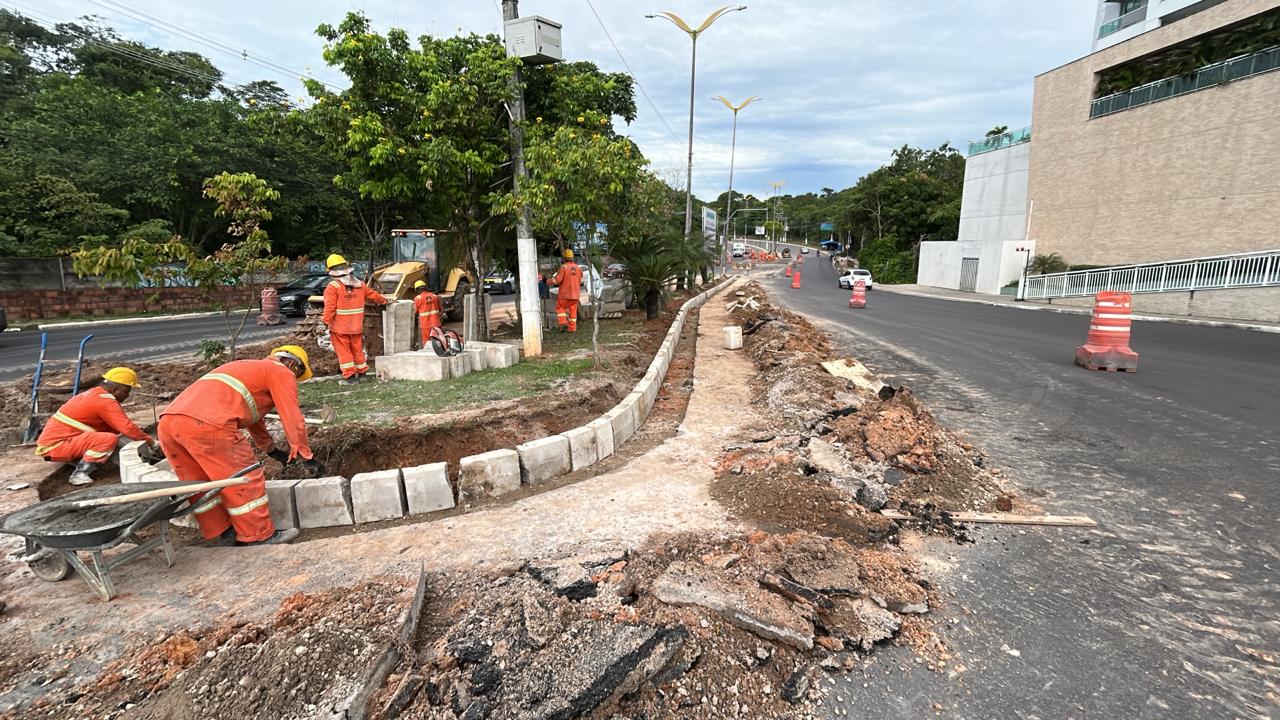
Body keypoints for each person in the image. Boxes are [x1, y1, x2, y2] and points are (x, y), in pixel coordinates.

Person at [157, 346, 319, 546]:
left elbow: (253, 418)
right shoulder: (280, 371)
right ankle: (259, 536)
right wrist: (305, 454)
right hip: (208, 425)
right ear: (293, 364)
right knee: (244, 478)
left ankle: (224, 531)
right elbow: (291, 416)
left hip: (168, 424)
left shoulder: (246, 369)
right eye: (298, 375)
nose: (294, 380)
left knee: (200, 483)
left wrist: (271, 450)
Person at [35, 366, 156, 485]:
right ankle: (79, 474)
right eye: (126, 391)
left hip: (59, 444)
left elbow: (117, 428)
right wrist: (153, 444)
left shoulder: (95, 394)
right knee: (108, 439)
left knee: (112, 435)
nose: (127, 396)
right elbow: (128, 428)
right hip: (55, 448)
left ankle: (82, 461)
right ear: (115, 390)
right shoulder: (105, 402)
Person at [321, 253, 389, 385]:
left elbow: (329, 308)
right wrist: (385, 301)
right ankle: (362, 373)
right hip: (356, 327)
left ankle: (350, 377)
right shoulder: (360, 285)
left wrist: (325, 322)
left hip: (340, 328)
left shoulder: (333, 287)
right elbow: (374, 295)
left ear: (331, 271)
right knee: (357, 350)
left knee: (344, 352)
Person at [547, 249, 583, 333]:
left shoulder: (563, 267)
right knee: (573, 311)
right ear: (572, 258)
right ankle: (572, 328)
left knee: (560, 308)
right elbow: (580, 278)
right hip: (575, 295)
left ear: (565, 257)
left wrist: (547, 281)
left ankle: (563, 323)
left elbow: (557, 281)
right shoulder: (578, 268)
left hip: (564, 295)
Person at [411, 279, 442, 350]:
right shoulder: (435, 296)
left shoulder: (418, 298)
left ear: (418, 289)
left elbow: (415, 312)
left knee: (427, 342)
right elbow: (441, 310)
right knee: (438, 341)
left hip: (425, 325)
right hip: (436, 323)